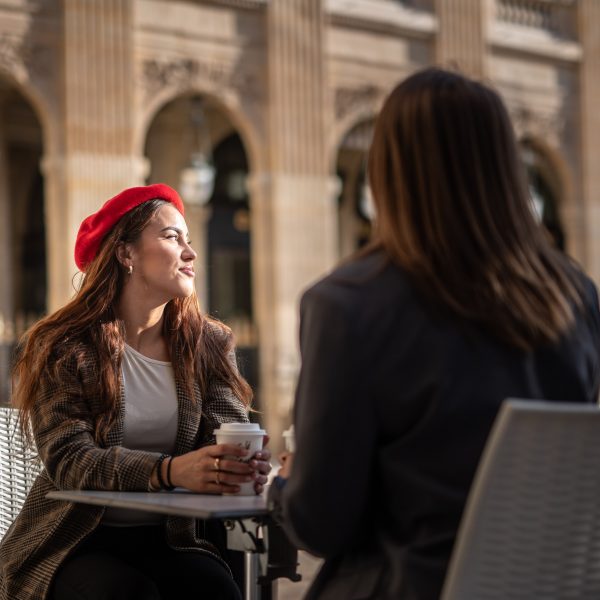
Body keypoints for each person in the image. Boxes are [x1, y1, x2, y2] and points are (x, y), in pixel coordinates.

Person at [268, 68, 600, 600]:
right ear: (506, 169)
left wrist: (284, 488)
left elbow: (321, 526)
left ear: (389, 169)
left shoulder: (349, 305)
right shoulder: (576, 297)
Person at [0, 183, 271, 600]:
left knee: (216, 589)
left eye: (190, 239)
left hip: (173, 536)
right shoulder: (65, 346)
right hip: (75, 539)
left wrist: (237, 463)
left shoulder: (210, 343)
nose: (190, 252)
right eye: (171, 237)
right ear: (125, 254)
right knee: (126, 593)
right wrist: (168, 470)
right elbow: (70, 460)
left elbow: (227, 431)